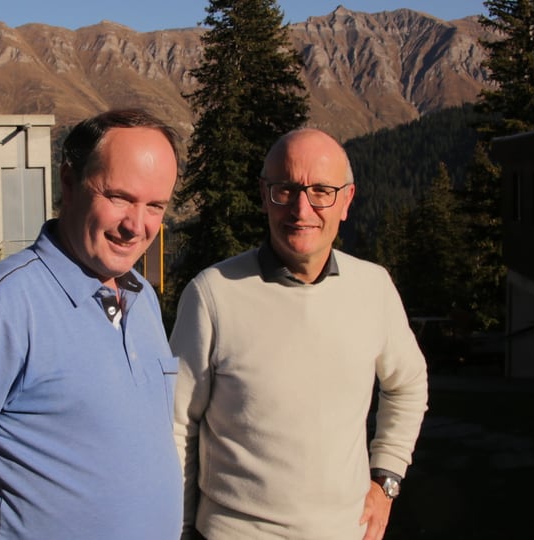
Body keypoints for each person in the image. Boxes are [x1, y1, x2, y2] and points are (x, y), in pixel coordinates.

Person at [0, 109, 183, 539]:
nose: (135, 226)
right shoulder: (1, 307)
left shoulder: (140, 296)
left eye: (155, 206)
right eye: (120, 197)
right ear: (68, 183)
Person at [170, 128, 428, 540]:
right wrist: (179, 529)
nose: (302, 208)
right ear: (263, 195)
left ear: (347, 200)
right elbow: (177, 424)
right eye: (285, 190)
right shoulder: (213, 294)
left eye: (321, 191)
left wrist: (387, 482)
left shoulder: (373, 288)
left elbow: (409, 384)